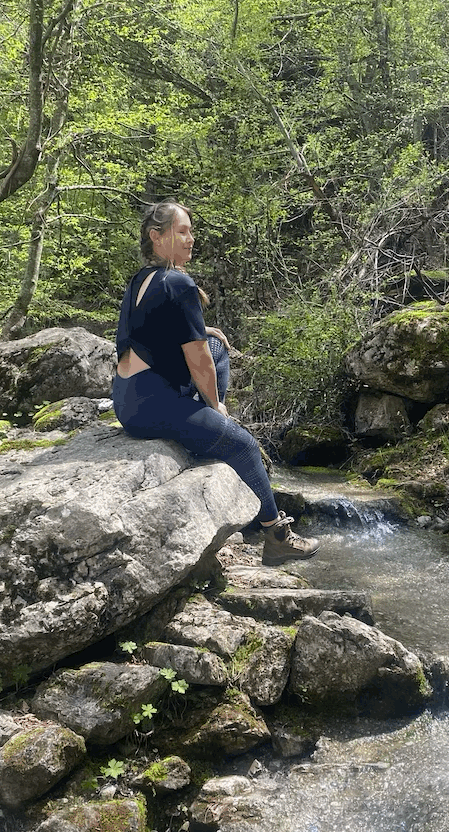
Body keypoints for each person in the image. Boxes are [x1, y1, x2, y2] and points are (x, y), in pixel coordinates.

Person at [113, 200, 319, 566]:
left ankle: (205, 430)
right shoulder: (179, 282)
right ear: (156, 237)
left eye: (191, 231)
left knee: (216, 341)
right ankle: (277, 537)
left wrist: (203, 331)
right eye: (182, 232)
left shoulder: (141, 279)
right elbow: (199, 362)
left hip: (127, 399)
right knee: (244, 446)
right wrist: (216, 407)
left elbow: (150, 335)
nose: (191, 238)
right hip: (153, 405)